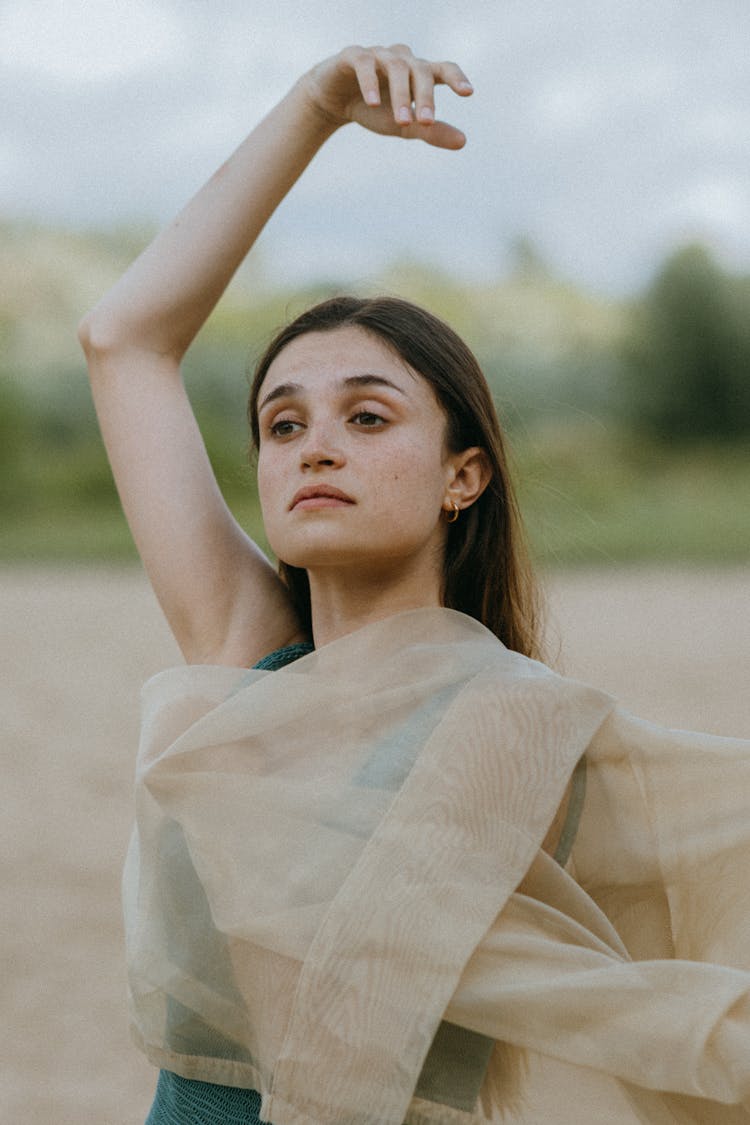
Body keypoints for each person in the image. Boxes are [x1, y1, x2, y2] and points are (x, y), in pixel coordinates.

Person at [79, 44, 750, 1125]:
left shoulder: (511, 723)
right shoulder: (248, 660)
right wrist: (312, 108)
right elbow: (123, 340)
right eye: (283, 423)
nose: (316, 447)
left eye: (369, 416)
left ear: (462, 475)